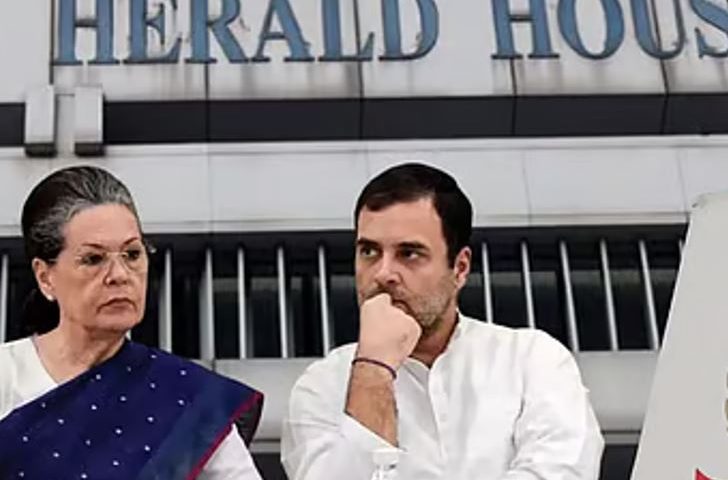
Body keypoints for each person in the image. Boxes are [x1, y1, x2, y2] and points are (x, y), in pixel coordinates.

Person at [281, 163, 604, 479]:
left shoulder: (533, 360)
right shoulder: (322, 385)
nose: (383, 274)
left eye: (409, 253)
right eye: (369, 251)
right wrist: (374, 369)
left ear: (460, 268)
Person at [0, 166, 263, 480]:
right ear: (45, 277)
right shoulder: (6, 374)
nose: (120, 275)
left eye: (132, 254)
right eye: (94, 259)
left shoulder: (184, 397)